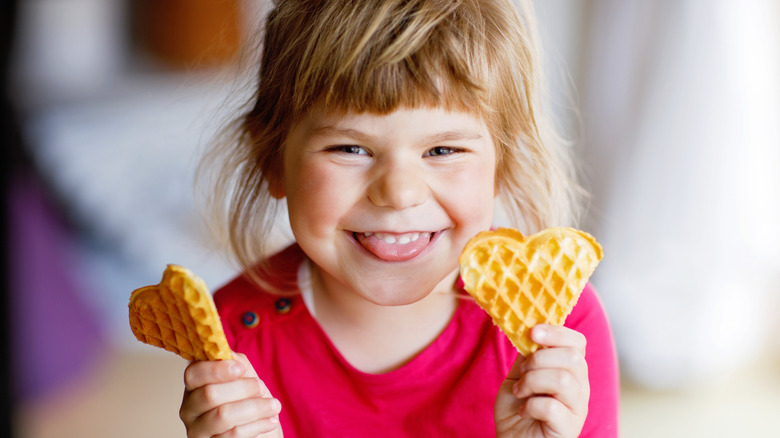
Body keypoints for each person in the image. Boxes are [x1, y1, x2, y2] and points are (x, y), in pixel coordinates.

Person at [180, 0, 619, 436]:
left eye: (443, 150)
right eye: (350, 149)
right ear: (271, 159)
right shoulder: (233, 340)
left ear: (502, 164)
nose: (399, 193)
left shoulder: (558, 331)